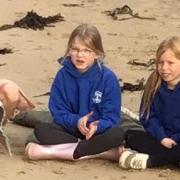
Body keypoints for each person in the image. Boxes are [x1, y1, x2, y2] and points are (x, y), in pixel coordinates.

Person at [25, 23, 124, 162]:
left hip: (96, 133)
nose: (80, 55)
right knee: (42, 129)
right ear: (69, 50)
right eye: (75, 49)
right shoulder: (62, 75)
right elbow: (58, 113)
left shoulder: (108, 78)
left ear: (97, 53)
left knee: (117, 134)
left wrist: (96, 126)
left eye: (87, 50)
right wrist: (77, 121)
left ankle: (59, 152)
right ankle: (98, 153)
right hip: (70, 130)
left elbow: (111, 117)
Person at [120, 37, 180, 170]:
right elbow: (148, 118)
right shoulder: (153, 87)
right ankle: (179, 160)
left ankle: (152, 161)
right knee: (132, 136)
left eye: (170, 63)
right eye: (161, 63)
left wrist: (177, 138)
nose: (164, 68)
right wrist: (162, 138)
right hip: (159, 139)